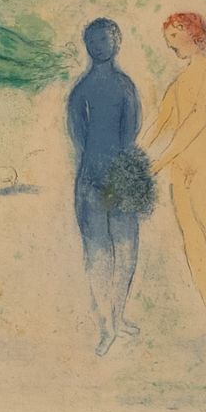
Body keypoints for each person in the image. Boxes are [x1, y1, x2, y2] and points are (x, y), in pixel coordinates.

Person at [143, 9, 206, 321]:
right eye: (168, 36)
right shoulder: (181, 77)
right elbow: (160, 120)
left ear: (193, 33)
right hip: (178, 169)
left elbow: (197, 121)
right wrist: (136, 154)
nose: (169, 42)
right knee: (191, 242)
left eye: (174, 34)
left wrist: (160, 161)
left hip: (202, 168)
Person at [63, 18, 153, 352]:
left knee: (99, 253)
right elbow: (130, 131)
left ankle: (110, 323)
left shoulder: (81, 89)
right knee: (121, 250)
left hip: (92, 177)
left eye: (103, 40)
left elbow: (79, 136)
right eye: (100, 41)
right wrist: (116, 162)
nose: (101, 46)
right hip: (119, 177)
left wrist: (98, 159)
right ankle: (113, 321)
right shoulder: (123, 86)